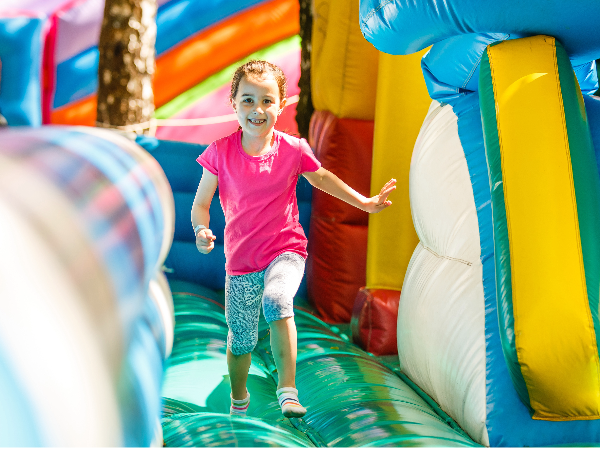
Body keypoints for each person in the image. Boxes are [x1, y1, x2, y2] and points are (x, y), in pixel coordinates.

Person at [191, 60, 396, 419]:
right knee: (241, 341)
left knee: (277, 299)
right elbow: (201, 204)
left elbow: (323, 179)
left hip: (285, 251)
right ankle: (239, 399)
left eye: (268, 101)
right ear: (234, 104)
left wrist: (364, 202)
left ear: (281, 105)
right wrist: (201, 230)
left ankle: (288, 390)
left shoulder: (293, 149)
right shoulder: (220, 152)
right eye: (249, 100)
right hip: (240, 263)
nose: (258, 110)